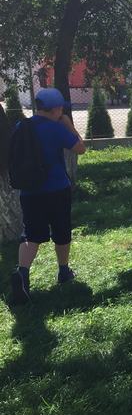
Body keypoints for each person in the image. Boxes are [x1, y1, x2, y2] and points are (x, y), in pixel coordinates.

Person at [10, 87, 86, 304]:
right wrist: (69, 126)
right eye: (61, 109)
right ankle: (64, 271)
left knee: (31, 234)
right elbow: (80, 149)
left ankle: (23, 273)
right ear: (56, 109)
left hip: (29, 191)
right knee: (61, 231)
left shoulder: (21, 126)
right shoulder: (56, 128)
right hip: (56, 189)